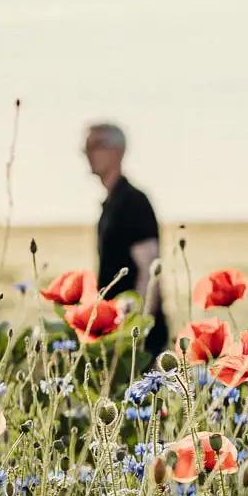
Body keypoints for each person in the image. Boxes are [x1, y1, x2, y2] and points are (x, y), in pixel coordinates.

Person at [83, 123, 168, 358]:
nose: (87, 152)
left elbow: (150, 272)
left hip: (135, 344)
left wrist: (137, 333)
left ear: (117, 151)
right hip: (115, 336)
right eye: (86, 147)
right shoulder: (111, 203)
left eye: (95, 145)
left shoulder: (133, 202)